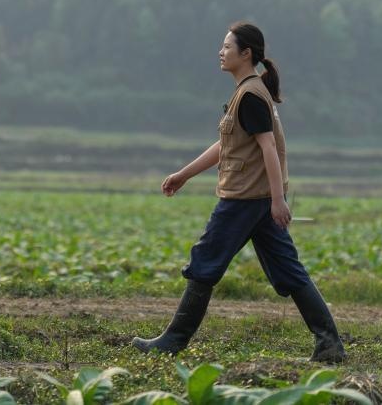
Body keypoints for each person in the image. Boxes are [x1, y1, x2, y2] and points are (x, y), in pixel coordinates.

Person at [132, 21, 346, 362]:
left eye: (227, 47)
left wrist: (278, 201)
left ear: (245, 54)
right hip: (257, 200)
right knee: (288, 269)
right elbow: (228, 145)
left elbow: (268, 149)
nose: (221, 52)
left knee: (205, 260)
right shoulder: (248, 92)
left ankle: (173, 340)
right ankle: (329, 343)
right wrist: (185, 174)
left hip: (244, 199)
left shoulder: (250, 95)